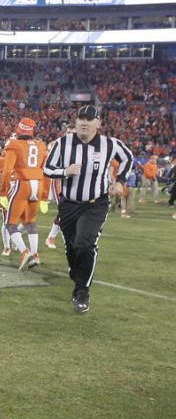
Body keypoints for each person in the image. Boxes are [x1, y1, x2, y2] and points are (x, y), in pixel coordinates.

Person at [43, 105, 133, 312]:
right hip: (68, 204)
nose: (84, 122)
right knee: (72, 246)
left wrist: (120, 181)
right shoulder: (62, 143)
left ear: (98, 123)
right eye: (81, 118)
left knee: (85, 243)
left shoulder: (110, 144)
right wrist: (65, 171)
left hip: (95, 203)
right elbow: (47, 169)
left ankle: (82, 290)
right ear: (75, 122)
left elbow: (128, 158)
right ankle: (78, 273)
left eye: (89, 119)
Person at [0, 118, 47, 270]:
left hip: (23, 183)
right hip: (38, 184)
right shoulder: (41, 145)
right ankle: (35, 255)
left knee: (10, 223)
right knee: (30, 222)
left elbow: (6, 171)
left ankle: (24, 252)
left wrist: (3, 193)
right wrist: (45, 196)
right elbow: (47, 171)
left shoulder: (14, 144)